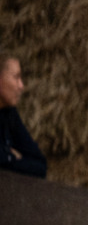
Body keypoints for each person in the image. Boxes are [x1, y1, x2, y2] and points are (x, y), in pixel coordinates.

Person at [0, 51, 47, 179]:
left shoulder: (9, 114)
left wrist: (8, 157)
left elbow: (41, 165)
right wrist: (12, 156)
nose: (21, 86)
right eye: (16, 77)